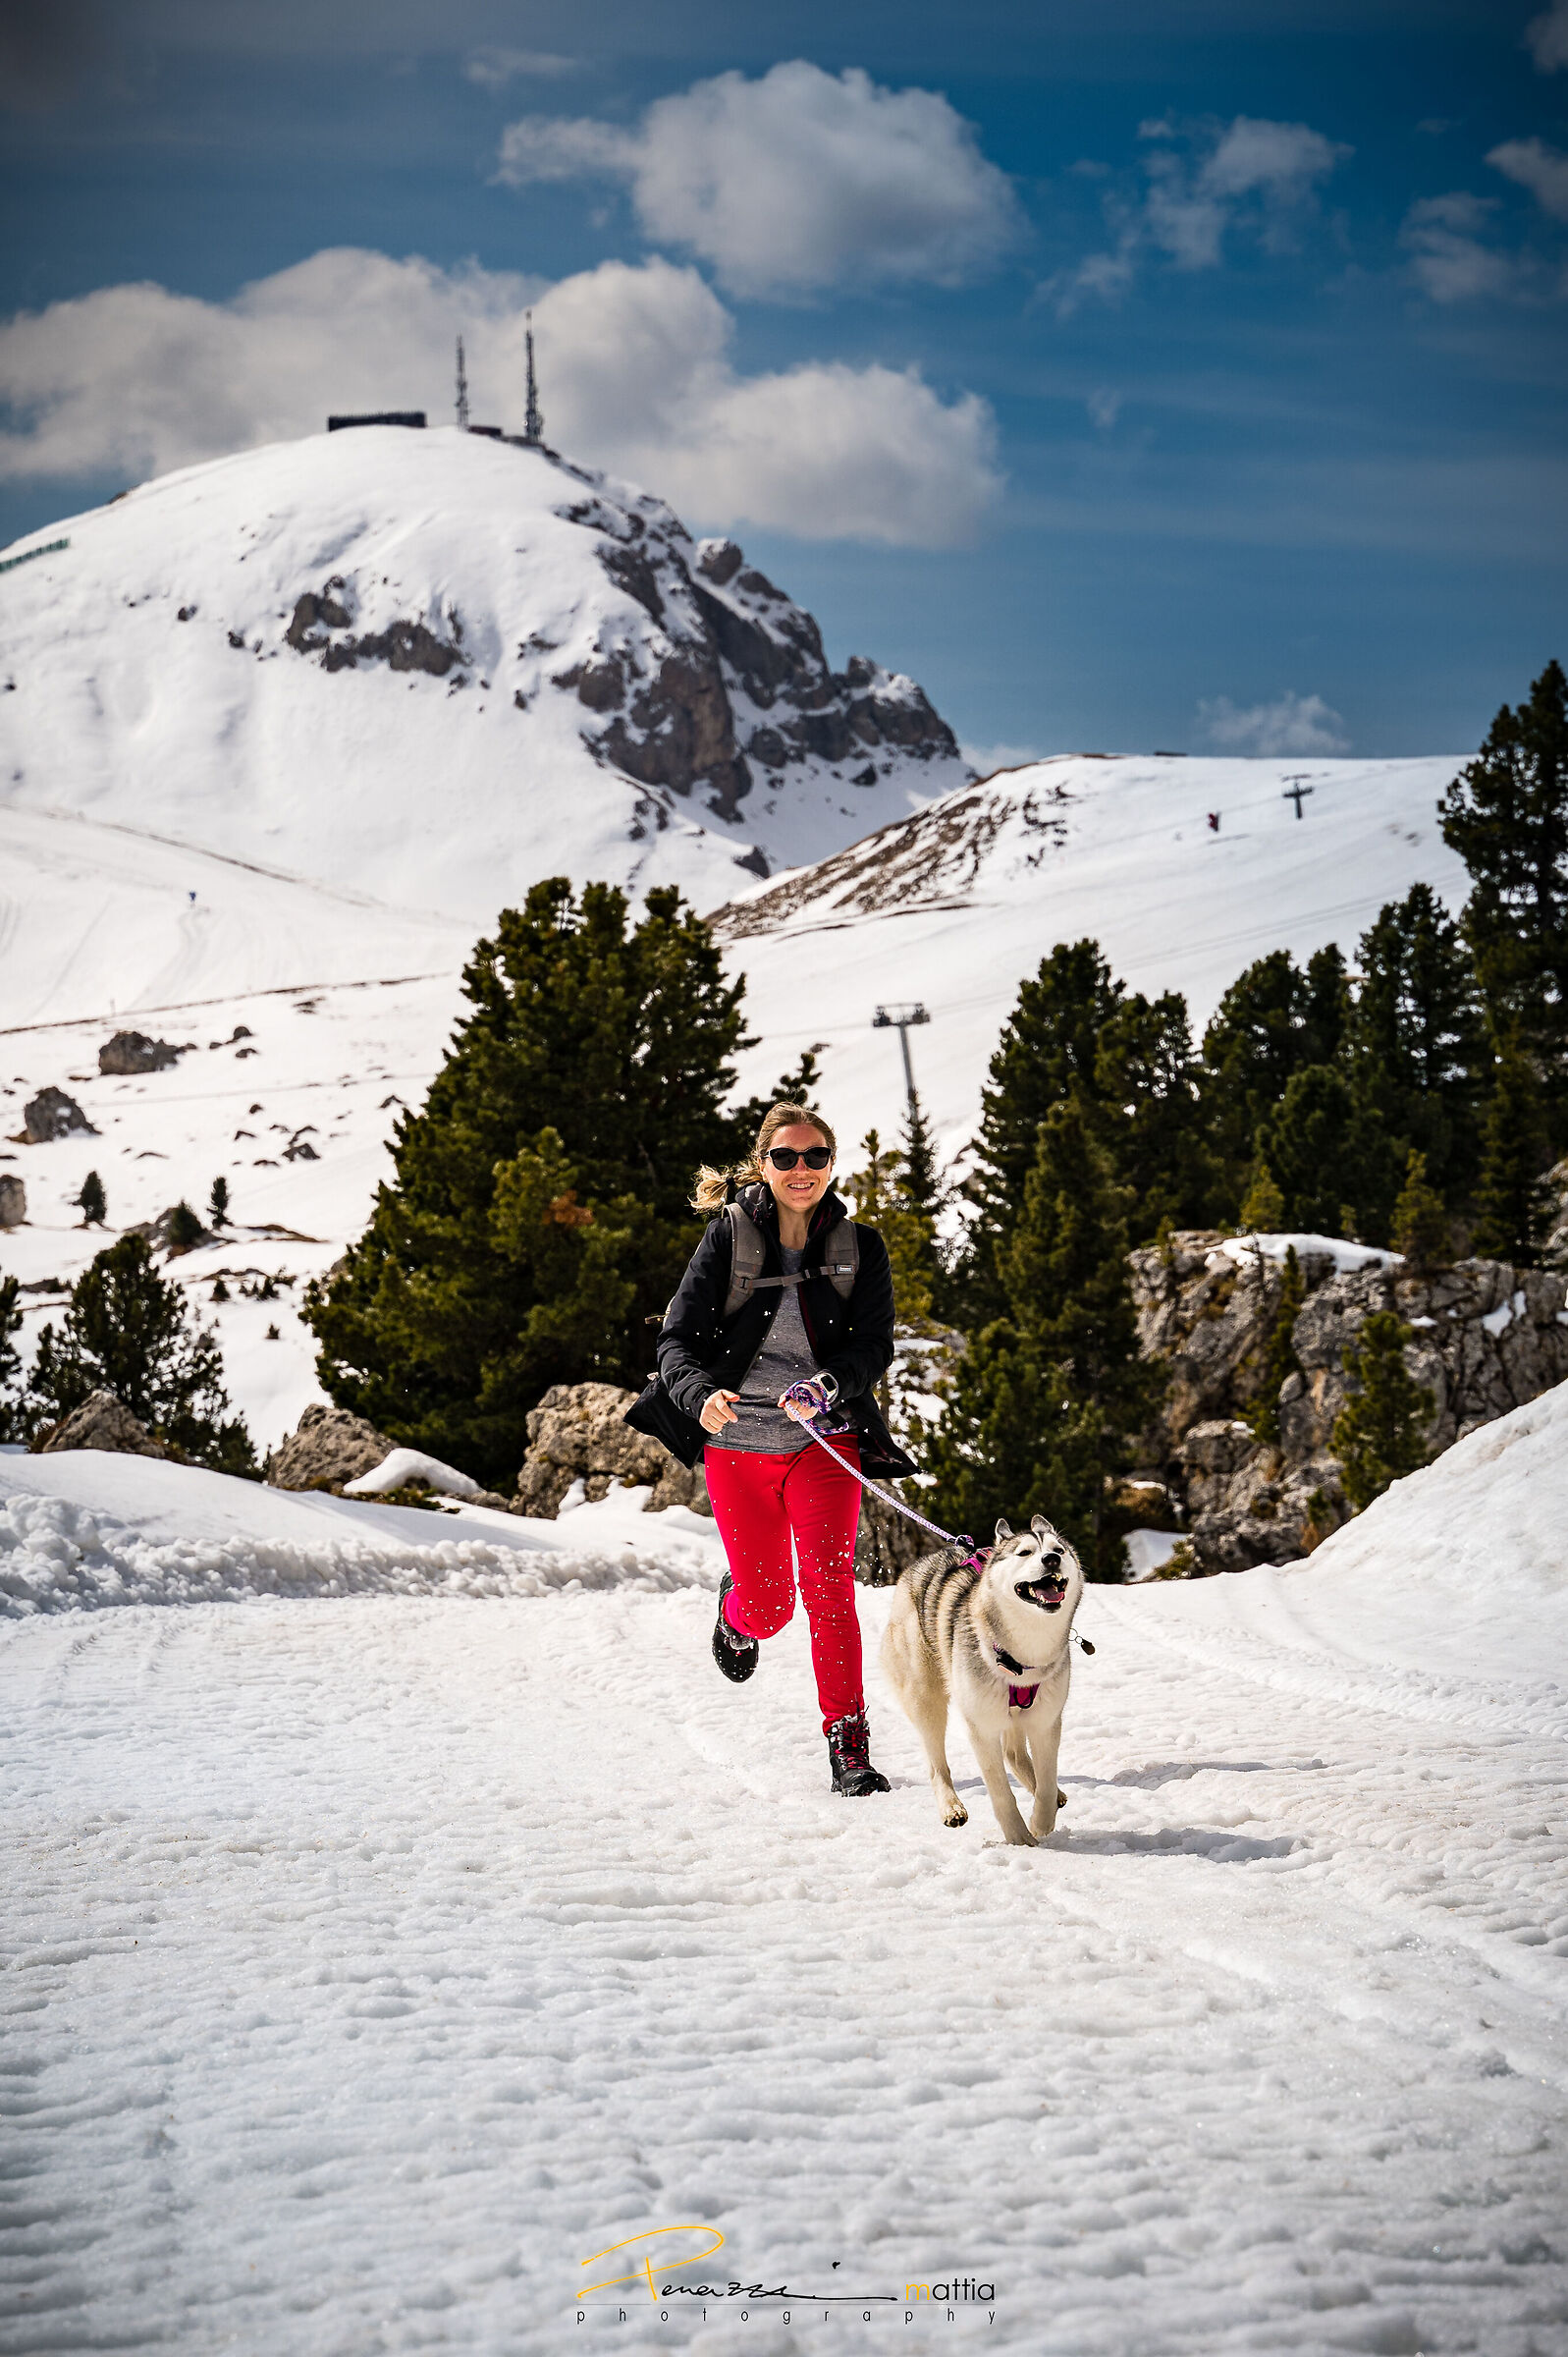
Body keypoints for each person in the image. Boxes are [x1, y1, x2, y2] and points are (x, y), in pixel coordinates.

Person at [625, 1100, 915, 1796]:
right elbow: (674, 1340)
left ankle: (849, 1744)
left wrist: (829, 1383)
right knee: (771, 1607)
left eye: (815, 1156)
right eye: (785, 1157)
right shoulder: (727, 1241)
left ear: (830, 1165)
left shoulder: (859, 1246)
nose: (800, 1169)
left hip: (825, 1443)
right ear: (763, 1165)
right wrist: (699, 1396)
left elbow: (874, 1346)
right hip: (738, 1445)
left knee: (828, 1593)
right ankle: (737, 1612)